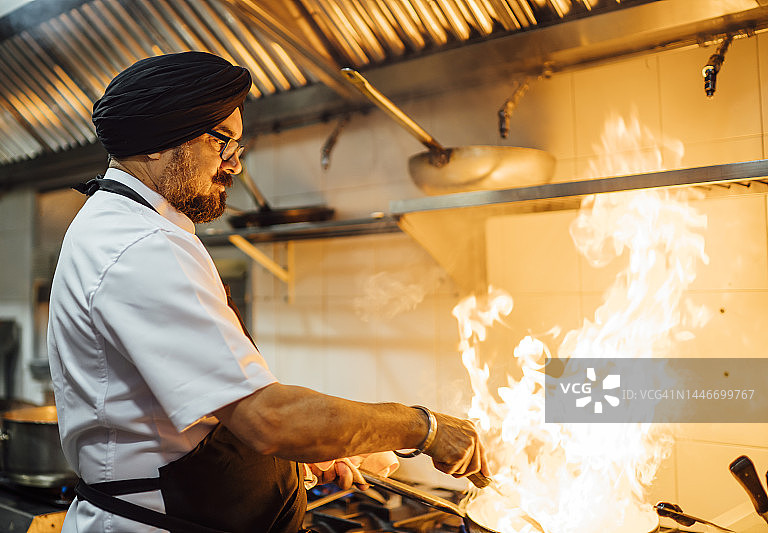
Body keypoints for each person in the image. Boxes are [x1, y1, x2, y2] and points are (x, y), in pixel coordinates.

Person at [47, 51, 488, 533]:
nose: (235, 163)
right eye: (223, 142)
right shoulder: (143, 246)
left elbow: (195, 425)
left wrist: (296, 461)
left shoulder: (123, 228)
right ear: (157, 143)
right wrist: (422, 427)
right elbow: (268, 419)